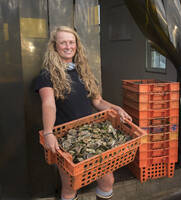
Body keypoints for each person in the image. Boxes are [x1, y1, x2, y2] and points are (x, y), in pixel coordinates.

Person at [35, 26, 131, 200]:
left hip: (90, 135)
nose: (68, 46)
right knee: (71, 185)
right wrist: (48, 132)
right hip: (65, 138)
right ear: (55, 46)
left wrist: (116, 108)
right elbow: (48, 104)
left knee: (107, 180)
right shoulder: (47, 75)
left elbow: (98, 102)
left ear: (77, 45)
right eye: (63, 42)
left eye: (71, 42)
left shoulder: (83, 72)